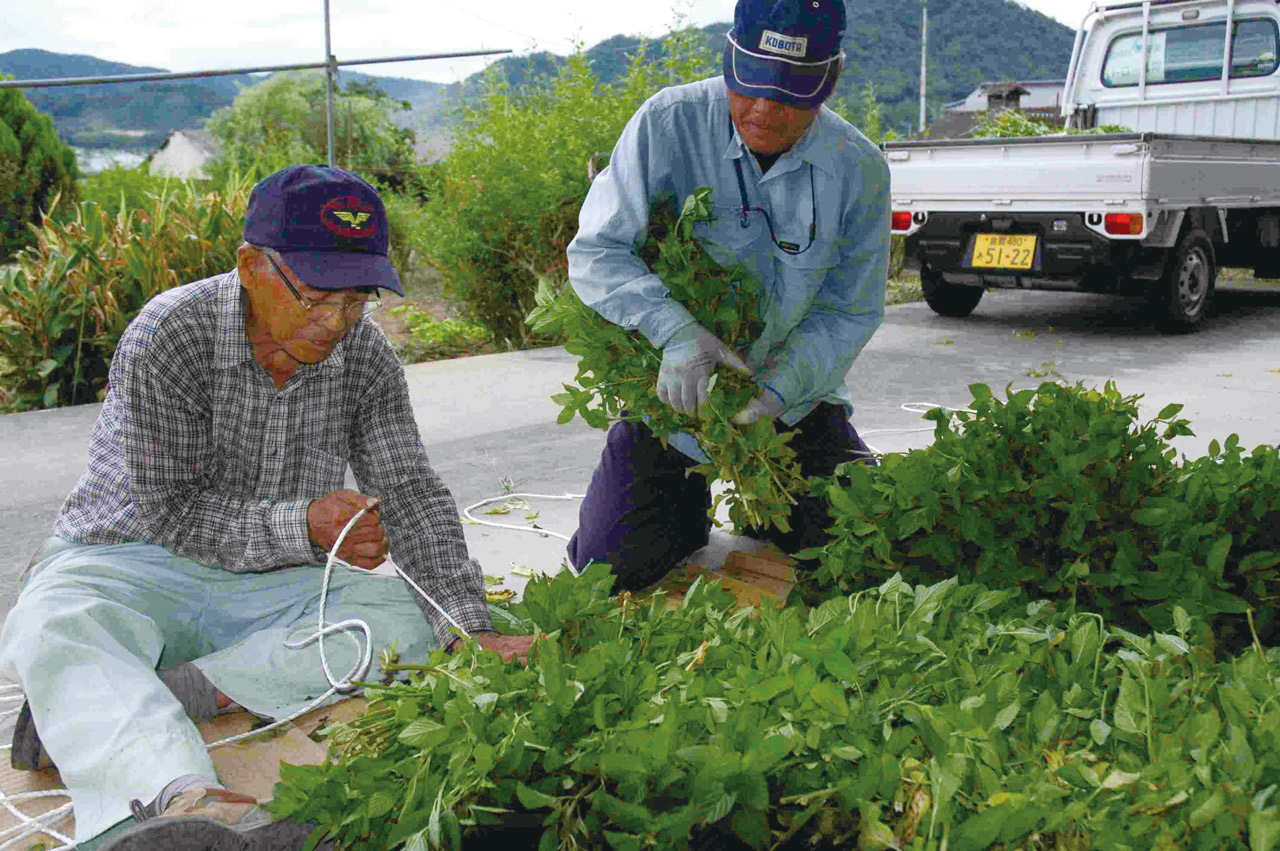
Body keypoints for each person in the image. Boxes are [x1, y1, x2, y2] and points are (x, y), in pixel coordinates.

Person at [0, 165, 534, 850]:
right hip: (131, 561)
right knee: (53, 622)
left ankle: (168, 687)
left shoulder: (366, 356)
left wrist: (468, 631)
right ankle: (180, 802)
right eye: (317, 298)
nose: (337, 323)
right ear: (252, 267)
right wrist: (306, 523)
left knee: (415, 619)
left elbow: (412, 493)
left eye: (356, 301)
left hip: (269, 582)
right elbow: (174, 516)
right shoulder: (170, 334)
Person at [565, 0, 891, 591]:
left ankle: (764, 505)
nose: (764, 108)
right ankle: (680, 504)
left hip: (795, 402)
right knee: (609, 572)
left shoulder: (859, 169)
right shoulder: (668, 122)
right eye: (751, 84)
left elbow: (848, 311)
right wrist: (673, 330)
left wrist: (776, 391)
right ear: (730, 58)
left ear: (827, 81)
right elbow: (596, 253)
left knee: (869, 544)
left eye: (789, 93)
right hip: (676, 397)